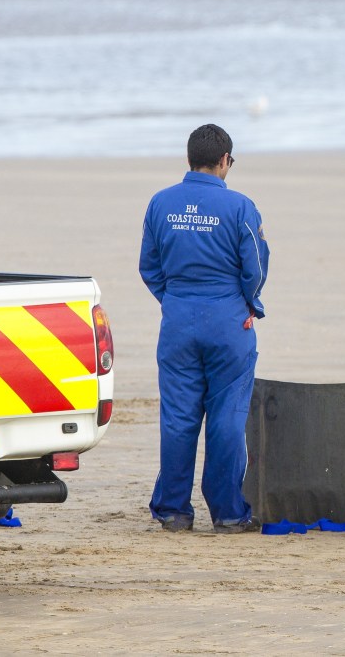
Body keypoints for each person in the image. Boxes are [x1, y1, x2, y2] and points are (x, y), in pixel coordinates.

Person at [139, 123, 269, 534]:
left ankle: (174, 511)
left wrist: (174, 300)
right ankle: (229, 513)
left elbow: (149, 266)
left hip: (178, 318)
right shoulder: (240, 207)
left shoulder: (160, 203)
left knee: (178, 418)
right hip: (228, 318)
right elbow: (257, 267)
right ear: (226, 161)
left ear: (189, 158)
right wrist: (248, 303)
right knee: (227, 416)